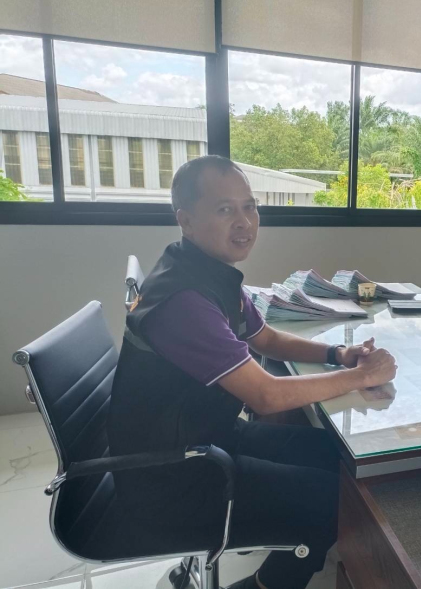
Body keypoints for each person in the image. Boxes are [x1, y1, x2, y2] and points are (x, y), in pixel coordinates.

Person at [108, 155, 397, 589]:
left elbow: (265, 338)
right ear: (186, 220)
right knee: (336, 500)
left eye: (250, 206)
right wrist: (361, 377)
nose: (244, 221)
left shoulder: (207, 271)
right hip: (173, 474)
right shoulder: (184, 300)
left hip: (207, 436)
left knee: (332, 454)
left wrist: (339, 354)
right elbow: (266, 396)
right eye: (225, 209)